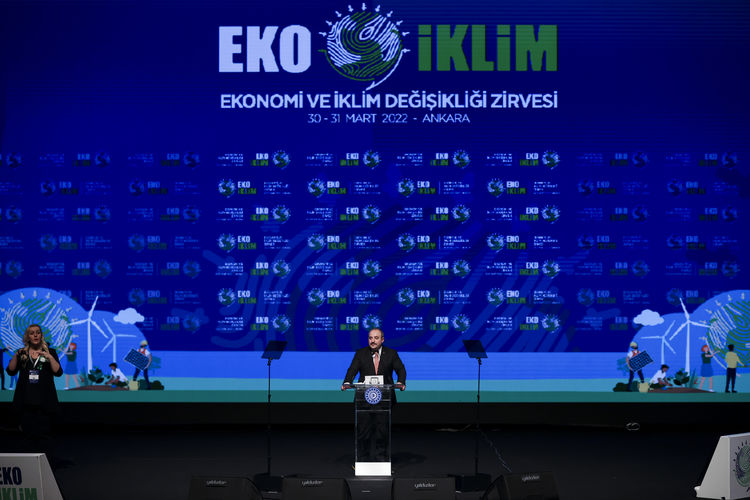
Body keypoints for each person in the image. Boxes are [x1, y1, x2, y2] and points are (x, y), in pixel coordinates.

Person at [341, 328, 406, 463]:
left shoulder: (391, 353)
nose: (373, 341)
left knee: (382, 432)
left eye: (376, 338)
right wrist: (347, 382)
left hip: (384, 400)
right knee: (363, 432)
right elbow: (352, 370)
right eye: (370, 338)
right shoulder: (360, 353)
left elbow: (401, 369)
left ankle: (382, 461)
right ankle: (363, 461)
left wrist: (401, 382)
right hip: (364, 400)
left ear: (382, 340)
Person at [5, 324, 63, 445]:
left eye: (38, 332)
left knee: (45, 439)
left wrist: (50, 357)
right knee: (27, 439)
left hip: (44, 400)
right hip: (26, 399)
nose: (35, 335)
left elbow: (58, 372)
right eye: (32, 333)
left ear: (41, 335)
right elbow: (11, 371)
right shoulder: (22, 353)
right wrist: (16, 355)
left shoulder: (50, 352)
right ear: (28, 337)